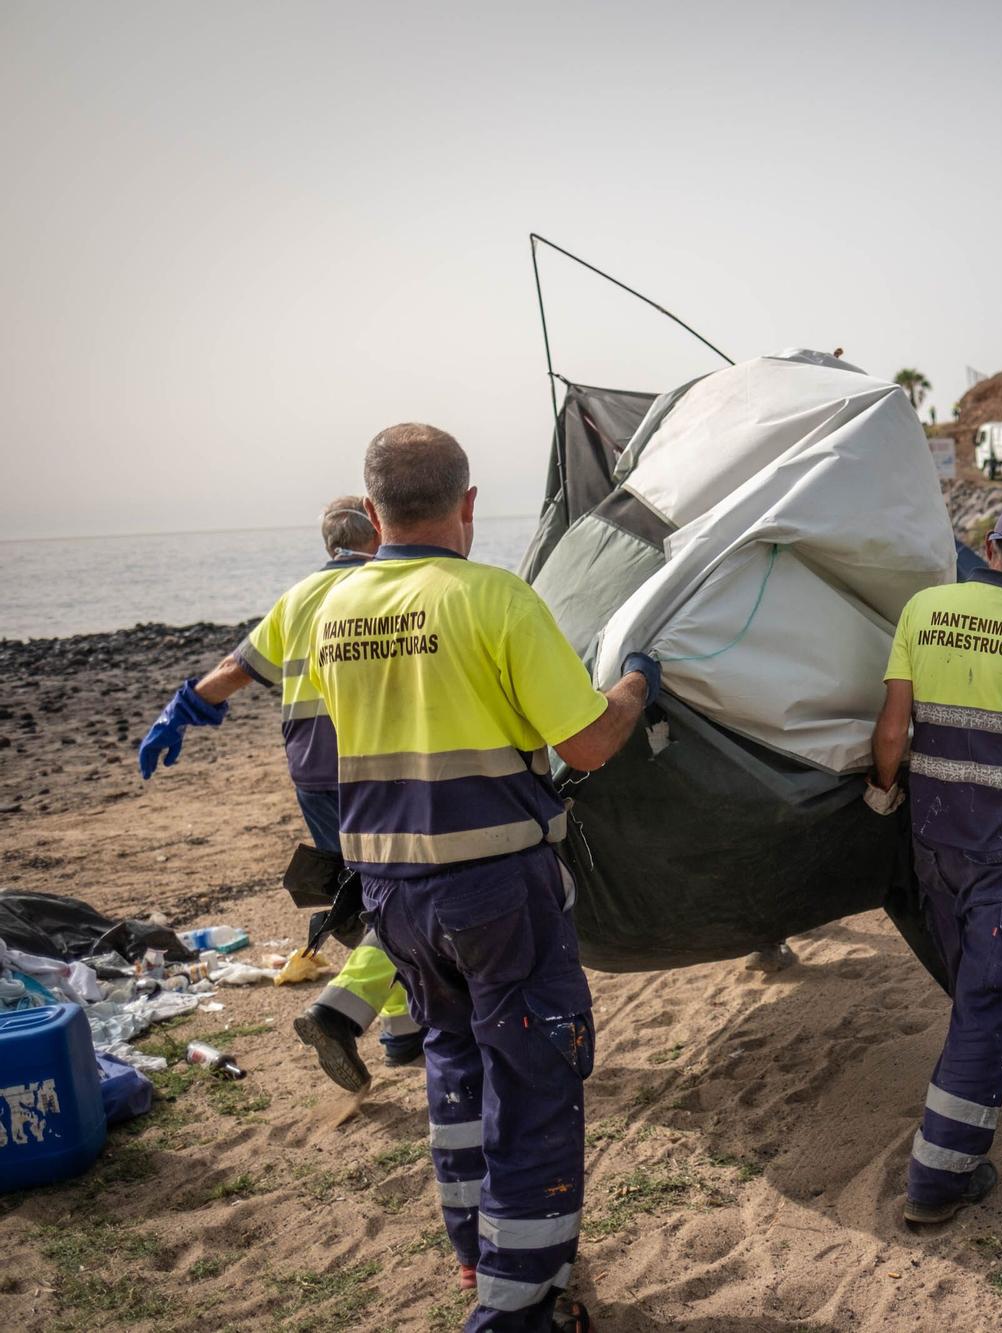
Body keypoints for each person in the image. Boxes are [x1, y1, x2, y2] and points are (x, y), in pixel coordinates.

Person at [309, 423, 655, 1333]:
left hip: (395, 900)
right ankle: (516, 1313)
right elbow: (583, 742)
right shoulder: (494, 598)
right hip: (496, 889)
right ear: (468, 506)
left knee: (454, 1069)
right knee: (536, 1082)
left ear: (372, 508)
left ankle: (478, 1258)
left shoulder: (333, 611)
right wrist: (634, 689)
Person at [135, 498, 425, 1087]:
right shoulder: (382, 587)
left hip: (313, 773)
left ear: (328, 546)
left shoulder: (295, 600)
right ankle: (349, 1011)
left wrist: (181, 710)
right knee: (410, 890)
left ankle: (403, 1030)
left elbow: (235, 670)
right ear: (380, 532)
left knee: (366, 894)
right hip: (375, 763)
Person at [866, 497, 1002, 1227]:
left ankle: (988, 1057)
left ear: (987, 547)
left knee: (968, 978)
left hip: (934, 839)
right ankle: (938, 1178)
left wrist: (881, 791)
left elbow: (893, 729)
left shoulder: (924, 609)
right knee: (987, 1000)